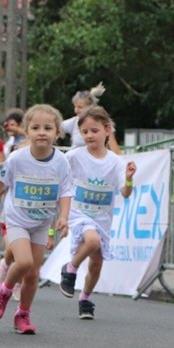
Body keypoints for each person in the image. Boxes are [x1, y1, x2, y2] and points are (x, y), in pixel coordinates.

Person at [0, 104, 74, 335]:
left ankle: (22, 315)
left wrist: (63, 216)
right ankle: (4, 291)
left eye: (48, 127)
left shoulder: (61, 161)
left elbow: (65, 191)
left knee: (33, 274)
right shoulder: (17, 158)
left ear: (57, 133)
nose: (41, 132)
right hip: (18, 220)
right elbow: (1, 183)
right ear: (26, 131)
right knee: (23, 263)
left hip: (42, 223)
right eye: (35, 127)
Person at [58, 106, 136, 320]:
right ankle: (70, 268)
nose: (89, 136)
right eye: (84, 132)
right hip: (78, 212)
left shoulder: (115, 162)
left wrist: (129, 178)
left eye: (94, 130)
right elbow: (60, 178)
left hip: (101, 216)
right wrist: (62, 213)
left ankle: (85, 298)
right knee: (92, 241)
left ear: (107, 130)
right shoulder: (74, 156)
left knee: (97, 261)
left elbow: (125, 192)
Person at [61, 83, 122, 153]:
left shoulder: (104, 123)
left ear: (90, 107)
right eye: (75, 106)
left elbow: (115, 149)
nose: (76, 110)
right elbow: (55, 126)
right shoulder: (74, 122)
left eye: (80, 107)